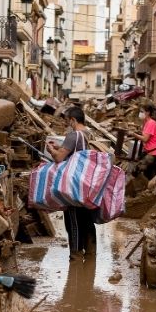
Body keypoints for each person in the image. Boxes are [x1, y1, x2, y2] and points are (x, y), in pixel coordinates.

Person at [47, 106, 96, 261]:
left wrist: (51, 150)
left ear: (73, 120)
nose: (68, 124)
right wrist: (60, 148)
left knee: (73, 221)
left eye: (68, 121)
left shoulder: (73, 135)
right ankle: (90, 256)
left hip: (74, 186)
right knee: (87, 220)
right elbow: (76, 152)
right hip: (88, 184)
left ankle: (75, 257)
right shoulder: (90, 134)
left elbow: (59, 158)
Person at [135, 106, 156, 180]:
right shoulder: (147, 122)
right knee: (148, 174)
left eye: (142, 111)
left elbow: (145, 139)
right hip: (148, 151)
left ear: (147, 112)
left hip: (152, 153)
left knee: (137, 171)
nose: (140, 113)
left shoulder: (151, 123)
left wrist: (133, 134)